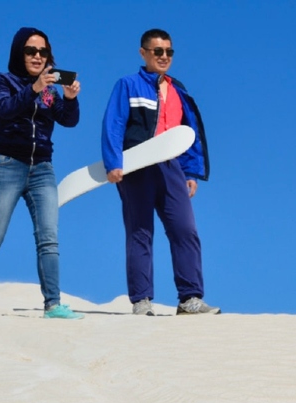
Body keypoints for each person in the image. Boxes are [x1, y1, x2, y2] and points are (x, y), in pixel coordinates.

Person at [102, 28, 219, 316]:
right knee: (140, 231)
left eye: (169, 51)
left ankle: (189, 298)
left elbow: (187, 132)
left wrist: (190, 171)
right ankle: (142, 301)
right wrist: (112, 162)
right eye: (158, 51)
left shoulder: (179, 90)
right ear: (143, 53)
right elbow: (114, 124)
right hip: (136, 166)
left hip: (171, 168)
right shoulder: (128, 85)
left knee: (185, 230)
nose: (164, 56)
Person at [0, 27, 82, 319]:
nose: (37, 56)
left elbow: (69, 121)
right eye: (31, 51)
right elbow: (4, 109)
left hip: (42, 168)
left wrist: (69, 98)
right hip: (7, 165)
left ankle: (53, 304)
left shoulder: (49, 91)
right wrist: (33, 89)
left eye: (43, 52)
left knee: (49, 238)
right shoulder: (2, 81)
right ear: (20, 53)